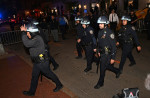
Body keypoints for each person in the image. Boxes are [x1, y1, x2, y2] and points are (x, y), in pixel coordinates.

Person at [20, 23, 63, 96]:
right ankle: (31, 92)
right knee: (34, 76)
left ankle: (59, 85)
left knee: (49, 74)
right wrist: (25, 32)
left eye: (28, 33)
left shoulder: (37, 38)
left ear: (32, 32)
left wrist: (23, 32)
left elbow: (26, 44)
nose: (27, 34)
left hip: (42, 62)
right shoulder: (34, 38)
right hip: (37, 62)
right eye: (26, 33)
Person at [94, 16, 120, 89]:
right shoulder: (99, 32)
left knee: (102, 68)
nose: (99, 25)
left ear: (105, 24)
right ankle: (117, 71)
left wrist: (113, 57)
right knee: (106, 66)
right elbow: (99, 43)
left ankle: (100, 83)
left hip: (107, 54)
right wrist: (98, 51)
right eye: (99, 24)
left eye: (101, 24)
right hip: (102, 53)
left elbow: (114, 46)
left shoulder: (109, 32)